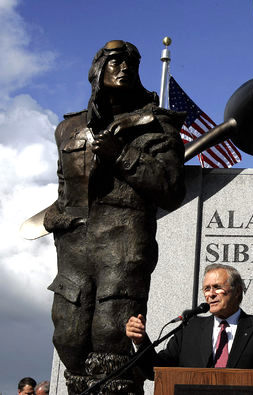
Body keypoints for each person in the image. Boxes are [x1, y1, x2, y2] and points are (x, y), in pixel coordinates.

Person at [43, 40, 186, 393]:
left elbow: (170, 188)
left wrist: (121, 154)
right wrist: (55, 218)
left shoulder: (158, 124)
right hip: (74, 250)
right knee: (69, 337)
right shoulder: (69, 128)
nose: (124, 68)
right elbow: (64, 188)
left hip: (123, 244)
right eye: (116, 61)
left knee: (112, 340)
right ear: (97, 69)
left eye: (132, 64)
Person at [126, 264, 253, 379]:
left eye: (217, 287)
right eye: (207, 289)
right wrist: (140, 341)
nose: (211, 294)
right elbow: (156, 371)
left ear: (237, 291)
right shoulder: (190, 328)